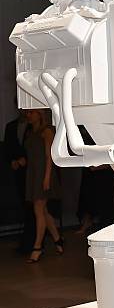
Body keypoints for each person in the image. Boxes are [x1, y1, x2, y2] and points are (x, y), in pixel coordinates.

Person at [23, 109, 63, 263]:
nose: (28, 115)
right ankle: (58, 239)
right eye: (27, 113)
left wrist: (46, 178)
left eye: (32, 112)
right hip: (33, 173)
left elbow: (49, 156)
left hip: (43, 173)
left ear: (40, 114)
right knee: (43, 210)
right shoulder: (30, 131)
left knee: (38, 209)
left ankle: (37, 247)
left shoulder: (46, 131)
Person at [4, 107, 34, 253]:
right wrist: (12, 161)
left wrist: (26, 160)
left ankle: (33, 241)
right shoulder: (11, 126)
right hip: (18, 171)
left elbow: (37, 150)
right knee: (25, 203)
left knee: (36, 206)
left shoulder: (34, 126)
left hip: (33, 170)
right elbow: (8, 148)